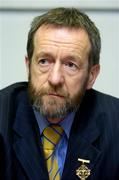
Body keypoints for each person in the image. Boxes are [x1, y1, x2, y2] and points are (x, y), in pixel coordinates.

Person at [0, 7, 119, 180]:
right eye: (44, 61)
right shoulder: (3, 117)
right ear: (28, 66)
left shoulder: (115, 126)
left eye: (70, 65)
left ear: (91, 76)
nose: (55, 79)